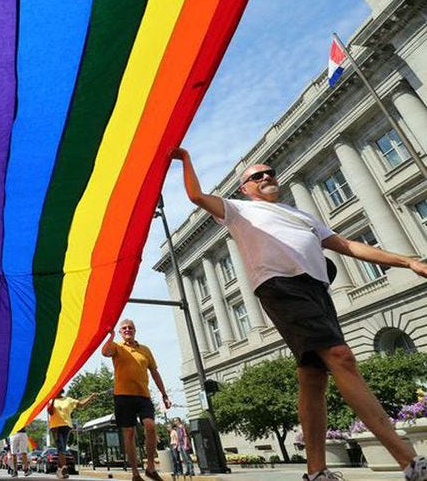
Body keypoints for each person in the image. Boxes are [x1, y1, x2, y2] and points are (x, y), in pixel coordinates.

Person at [172, 148, 427, 481]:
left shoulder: (303, 217)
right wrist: (186, 157)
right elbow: (195, 195)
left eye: (270, 173)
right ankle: (409, 462)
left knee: (313, 377)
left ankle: (316, 471)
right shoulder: (238, 210)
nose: (266, 178)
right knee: (341, 356)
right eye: (257, 176)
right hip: (280, 287)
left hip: (318, 291)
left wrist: (407, 261)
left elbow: (350, 246)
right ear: (244, 188)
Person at [101, 318, 170, 481]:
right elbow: (105, 352)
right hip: (123, 396)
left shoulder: (145, 350)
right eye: (124, 328)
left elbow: (154, 373)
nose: (127, 330)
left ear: (135, 331)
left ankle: (151, 467)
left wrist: (164, 394)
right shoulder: (117, 347)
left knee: (150, 426)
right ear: (120, 332)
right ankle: (135, 473)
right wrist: (110, 336)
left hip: (143, 395)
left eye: (130, 328)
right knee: (129, 433)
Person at [47, 390, 98, 479]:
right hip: (55, 427)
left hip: (66, 427)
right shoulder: (51, 400)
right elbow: (49, 412)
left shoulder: (68, 400)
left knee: (62, 448)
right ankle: (64, 468)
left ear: (61, 390)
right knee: (61, 447)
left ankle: (59, 469)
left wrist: (91, 397)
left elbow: (80, 404)